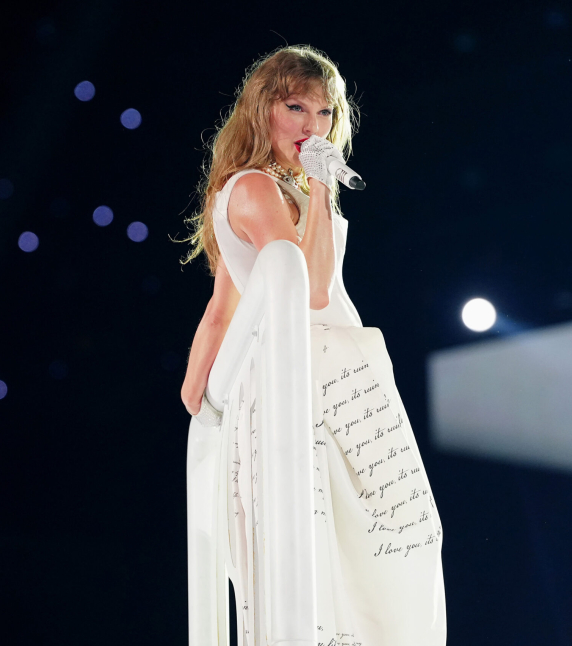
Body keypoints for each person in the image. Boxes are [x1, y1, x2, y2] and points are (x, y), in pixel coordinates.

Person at [180, 45, 446, 646]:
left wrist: (198, 392)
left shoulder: (277, 186)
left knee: (403, 536)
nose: (312, 126)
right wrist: (207, 410)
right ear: (262, 110)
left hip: (339, 367)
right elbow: (310, 289)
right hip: (308, 368)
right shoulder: (254, 187)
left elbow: (223, 304)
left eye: (324, 113)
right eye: (296, 107)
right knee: (345, 547)